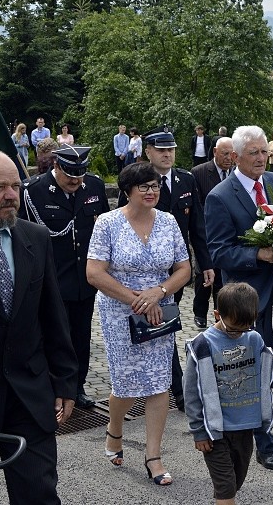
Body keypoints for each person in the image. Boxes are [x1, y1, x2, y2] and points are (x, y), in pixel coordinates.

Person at [86, 161, 192, 486]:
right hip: (120, 311)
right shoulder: (107, 223)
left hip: (160, 310)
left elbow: (184, 269)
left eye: (156, 186)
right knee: (126, 383)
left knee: (159, 381)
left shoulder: (169, 222)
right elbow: (94, 273)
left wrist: (157, 294)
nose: (152, 191)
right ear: (128, 190)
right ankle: (114, 429)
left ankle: (154, 456)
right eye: (145, 186)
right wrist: (137, 299)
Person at [205, 125, 273, 471]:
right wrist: (260, 256)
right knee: (254, 371)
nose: (261, 157)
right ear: (235, 156)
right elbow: (219, 252)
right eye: (253, 152)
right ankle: (265, 443)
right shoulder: (220, 197)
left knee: (270, 365)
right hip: (246, 298)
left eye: (264, 151)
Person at [0, 151, 78, 505]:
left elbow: (53, 316)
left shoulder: (35, 237)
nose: (12, 195)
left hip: (28, 396)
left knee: (39, 497)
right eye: (0, 187)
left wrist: (64, 381)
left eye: (15, 185)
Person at [118, 127, 214, 411]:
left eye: (171, 149)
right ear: (148, 152)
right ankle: (178, 387)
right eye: (161, 150)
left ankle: (164, 382)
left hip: (175, 269)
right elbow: (125, 223)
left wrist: (205, 263)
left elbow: (197, 225)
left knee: (165, 326)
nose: (167, 154)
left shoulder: (186, 179)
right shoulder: (137, 181)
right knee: (161, 327)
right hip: (142, 271)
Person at [19, 144, 110, 410]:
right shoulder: (32, 191)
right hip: (52, 280)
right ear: (56, 166)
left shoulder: (93, 186)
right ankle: (48, 389)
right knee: (53, 337)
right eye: (70, 173)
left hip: (84, 281)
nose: (75, 180)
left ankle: (76, 388)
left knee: (81, 338)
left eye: (80, 174)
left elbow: (102, 229)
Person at [184, 282, 273, 505]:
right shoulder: (203, 345)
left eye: (245, 328)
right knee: (226, 488)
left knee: (236, 481)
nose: (238, 334)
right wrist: (199, 431)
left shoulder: (254, 339)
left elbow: (268, 371)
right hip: (216, 431)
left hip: (245, 427)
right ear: (217, 314)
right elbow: (191, 392)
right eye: (233, 328)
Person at [191, 136, 234, 328]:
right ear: (215, 151)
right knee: (204, 277)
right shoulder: (199, 173)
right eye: (224, 154)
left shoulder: (236, 173)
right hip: (206, 235)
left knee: (222, 280)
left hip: (229, 235)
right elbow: (197, 207)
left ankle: (221, 315)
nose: (228, 158)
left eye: (232, 154)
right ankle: (199, 313)